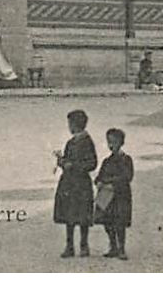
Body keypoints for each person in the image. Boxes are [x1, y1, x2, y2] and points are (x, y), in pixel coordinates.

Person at [54, 109, 98, 258]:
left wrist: (73, 166)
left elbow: (92, 163)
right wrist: (62, 162)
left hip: (80, 183)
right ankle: (70, 245)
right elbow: (68, 160)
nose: (69, 126)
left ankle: (83, 245)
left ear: (76, 124)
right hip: (70, 183)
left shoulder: (86, 142)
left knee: (83, 216)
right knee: (69, 215)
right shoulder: (71, 142)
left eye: (70, 123)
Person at [95, 127, 133, 260]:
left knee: (120, 223)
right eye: (109, 142)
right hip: (107, 196)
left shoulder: (126, 159)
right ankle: (113, 246)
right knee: (108, 222)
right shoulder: (107, 161)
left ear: (121, 142)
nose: (111, 145)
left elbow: (127, 176)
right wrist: (99, 182)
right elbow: (99, 176)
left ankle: (121, 248)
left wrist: (111, 182)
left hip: (120, 195)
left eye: (114, 142)